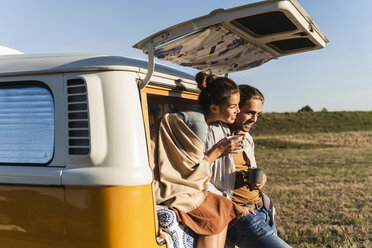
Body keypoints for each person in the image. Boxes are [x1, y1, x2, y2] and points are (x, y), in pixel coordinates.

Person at [152, 72, 249, 248]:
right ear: (213, 108)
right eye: (233, 106)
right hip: (174, 186)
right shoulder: (198, 124)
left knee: (224, 208)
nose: (238, 111)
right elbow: (191, 174)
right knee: (214, 218)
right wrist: (217, 151)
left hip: (183, 182)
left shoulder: (200, 117)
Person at [206, 84, 291, 248]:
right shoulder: (213, 134)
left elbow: (249, 169)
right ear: (236, 108)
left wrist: (261, 179)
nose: (255, 119)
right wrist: (233, 208)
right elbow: (201, 178)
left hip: (262, 209)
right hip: (239, 215)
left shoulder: (247, 138)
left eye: (258, 114)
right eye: (250, 112)